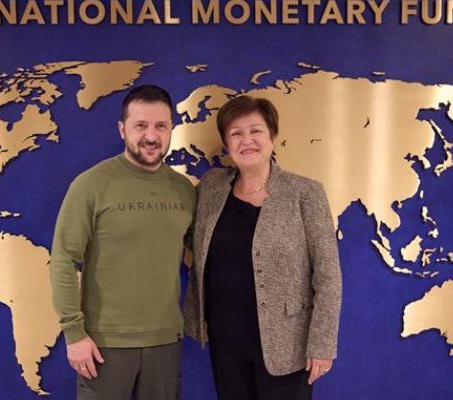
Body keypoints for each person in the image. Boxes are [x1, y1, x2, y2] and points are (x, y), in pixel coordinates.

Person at [184, 95, 342, 400]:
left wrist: (321, 344)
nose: (247, 140)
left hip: (287, 345)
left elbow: (328, 276)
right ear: (227, 144)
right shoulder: (211, 187)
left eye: (256, 131)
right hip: (224, 342)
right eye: (236, 133)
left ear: (273, 137)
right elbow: (188, 237)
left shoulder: (305, 193)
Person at [50, 84, 196, 400]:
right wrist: (74, 334)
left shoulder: (185, 190)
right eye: (140, 125)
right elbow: (63, 258)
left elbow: (201, 254)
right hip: (103, 344)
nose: (151, 136)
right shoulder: (91, 185)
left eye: (161, 125)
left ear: (172, 128)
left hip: (166, 341)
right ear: (122, 129)